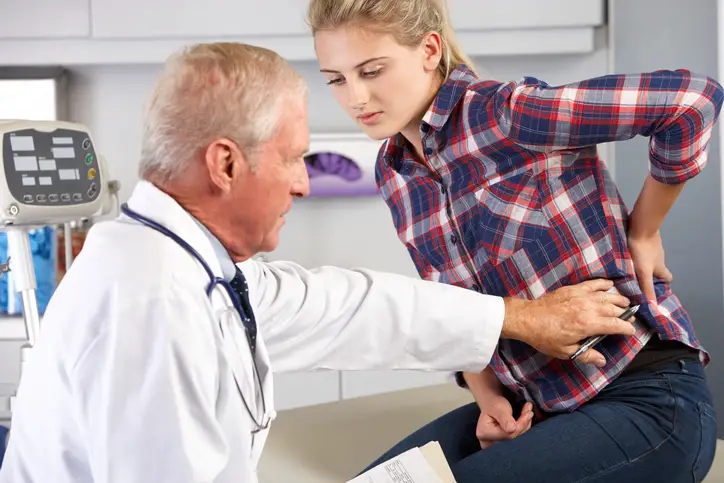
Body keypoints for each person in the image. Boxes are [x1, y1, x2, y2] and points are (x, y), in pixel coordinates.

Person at [0, 43, 634, 483]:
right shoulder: (152, 302)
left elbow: (346, 307)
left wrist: (517, 318)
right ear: (225, 165)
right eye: (293, 158)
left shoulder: (198, 271)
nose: (304, 184)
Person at [308, 0, 724, 481]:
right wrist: (489, 399)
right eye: (336, 79)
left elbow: (691, 101)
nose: (355, 97)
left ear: (428, 49)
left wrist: (645, 230)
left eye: (372, 71)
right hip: (536, 409)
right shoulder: (394, 173)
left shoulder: (508, 113)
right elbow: (457, 306)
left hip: (647, 399)